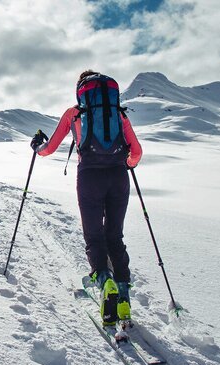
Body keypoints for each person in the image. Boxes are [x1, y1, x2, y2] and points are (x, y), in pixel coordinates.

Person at [30, 70, 142, 327]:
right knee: (115, 236)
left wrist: (37, 145)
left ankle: (105, 283)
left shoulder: (74, 113)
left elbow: (48, 149)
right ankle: (123, 295)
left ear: (81, 92)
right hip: (118, 176)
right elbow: (136, 152)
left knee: (93, 235)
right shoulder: (119, 114)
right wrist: (127, 163)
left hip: (89, 177)